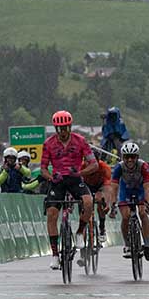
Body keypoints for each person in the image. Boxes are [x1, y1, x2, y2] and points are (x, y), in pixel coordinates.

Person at [40, 110, 94, 270]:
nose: (62, 132)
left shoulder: (81, 141)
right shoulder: (48, 143)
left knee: (89, 202)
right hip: (57, 180)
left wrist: (80, 172)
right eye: (59, 128)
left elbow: (94, 164)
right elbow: (42, 168)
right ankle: (55, 255)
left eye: (65, 128)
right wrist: (50, 177)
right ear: (55, 128)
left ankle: (79, 233)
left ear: (70, 127)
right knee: (51, 213)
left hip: (75, 178)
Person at [109, 141, 149, 261]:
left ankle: (147, 245)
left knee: (143, 214)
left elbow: (147, 189)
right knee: (126, 216)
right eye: (127, 157)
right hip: (125, 191)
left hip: (140, 190)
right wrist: (112, 205)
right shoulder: (119, 167)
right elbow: (114, 188)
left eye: (132, 157)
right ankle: (127, 244)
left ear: (137, 157)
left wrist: (148, 205)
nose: (129, 160)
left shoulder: (143, 166)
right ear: (123, 157)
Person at [78, 150, 113, 238]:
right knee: (83, 203)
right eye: (87, 161)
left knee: (99, 199)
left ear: (97, 161)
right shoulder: (81, 167)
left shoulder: (105, 168)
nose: (89, 164)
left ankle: (102, 227)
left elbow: (108, 188)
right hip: (87, 186)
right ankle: (82, 230)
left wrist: (107, 203)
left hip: (100, 186)